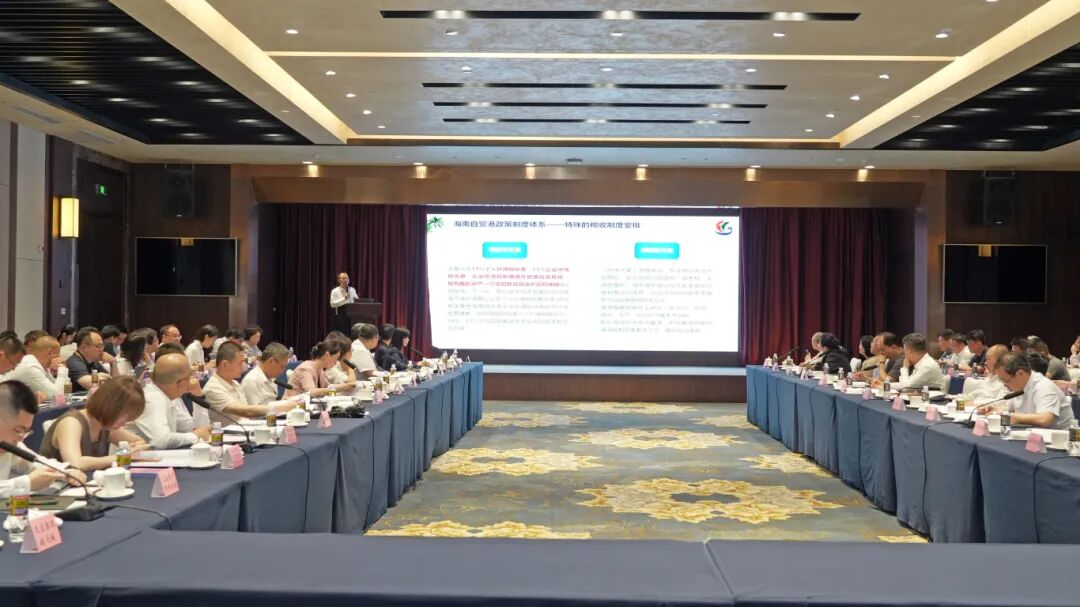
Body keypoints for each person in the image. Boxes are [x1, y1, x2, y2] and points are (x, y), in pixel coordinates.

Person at [38, 376, 150, 472]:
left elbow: (140, 443)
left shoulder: (106, 425)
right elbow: (75, 463)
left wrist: (135, 450)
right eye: (124, 418)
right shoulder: (71, 423)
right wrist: (121, 456)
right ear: (111, 407)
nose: (124, 424)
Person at [0, 381, 85, 497]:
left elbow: (38, 462)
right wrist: (27, 483)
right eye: (18, 430)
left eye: (25, 431)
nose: (20, 438)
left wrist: (68, 470)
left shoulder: (10, 446)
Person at [128, 353, 211, 449]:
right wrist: (195, 436)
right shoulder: (153, 398)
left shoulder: (168, 397)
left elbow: (197, 427)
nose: (193, 380)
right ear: (182, 382)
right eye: (190, 376)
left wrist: (197, 393)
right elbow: (161, 440)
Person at [198, 342, 292, 426]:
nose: (243, 367)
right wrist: (280, 407)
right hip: (226, 436)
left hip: (244, 430)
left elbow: (247, 414)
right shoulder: (213, 388)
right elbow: (246, 412)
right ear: (225, 364)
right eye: (240, 363)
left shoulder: (235, 383)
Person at [979, 352, 1074, 429]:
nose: (1005, 385)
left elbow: (1045, 419)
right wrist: (995, 410)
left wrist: (1012, 417)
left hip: (1060, 441)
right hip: (1033, 436)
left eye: (1006, 380)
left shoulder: (1044, 386)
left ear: (1020, 373)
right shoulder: (1019, 386)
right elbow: (1009, 409)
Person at [289, 340, 354, 397]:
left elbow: (327, 387)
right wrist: (343, 387)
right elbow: (311, 392)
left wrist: (347, 386)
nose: (336, 362)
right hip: (292, 404)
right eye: (335, 359)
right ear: (327, 355)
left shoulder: (320, 369)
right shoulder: (305, 369)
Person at [65, 326, 109, 392]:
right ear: (84, 347)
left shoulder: (93, 361)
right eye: (98, 346)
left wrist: (113, 363)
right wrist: (98, 376)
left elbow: (113, 381)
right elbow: (92, 385)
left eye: (102, 346)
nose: (101, 350)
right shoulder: (74, 362)